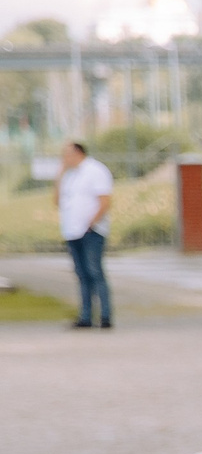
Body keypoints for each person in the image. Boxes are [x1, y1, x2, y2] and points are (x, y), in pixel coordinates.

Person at [54, 141, 114, 330]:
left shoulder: (95, 170)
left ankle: (105, 316)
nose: (64, 158)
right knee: (81, 274)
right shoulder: (69, 175)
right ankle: (85, 316)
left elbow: (105, 200)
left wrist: (92, 223)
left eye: (67, 154)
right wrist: (59, 175)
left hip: (90, 232)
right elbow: (57, 201)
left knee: (95, 272)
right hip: (72, 231)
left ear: (78, 152)